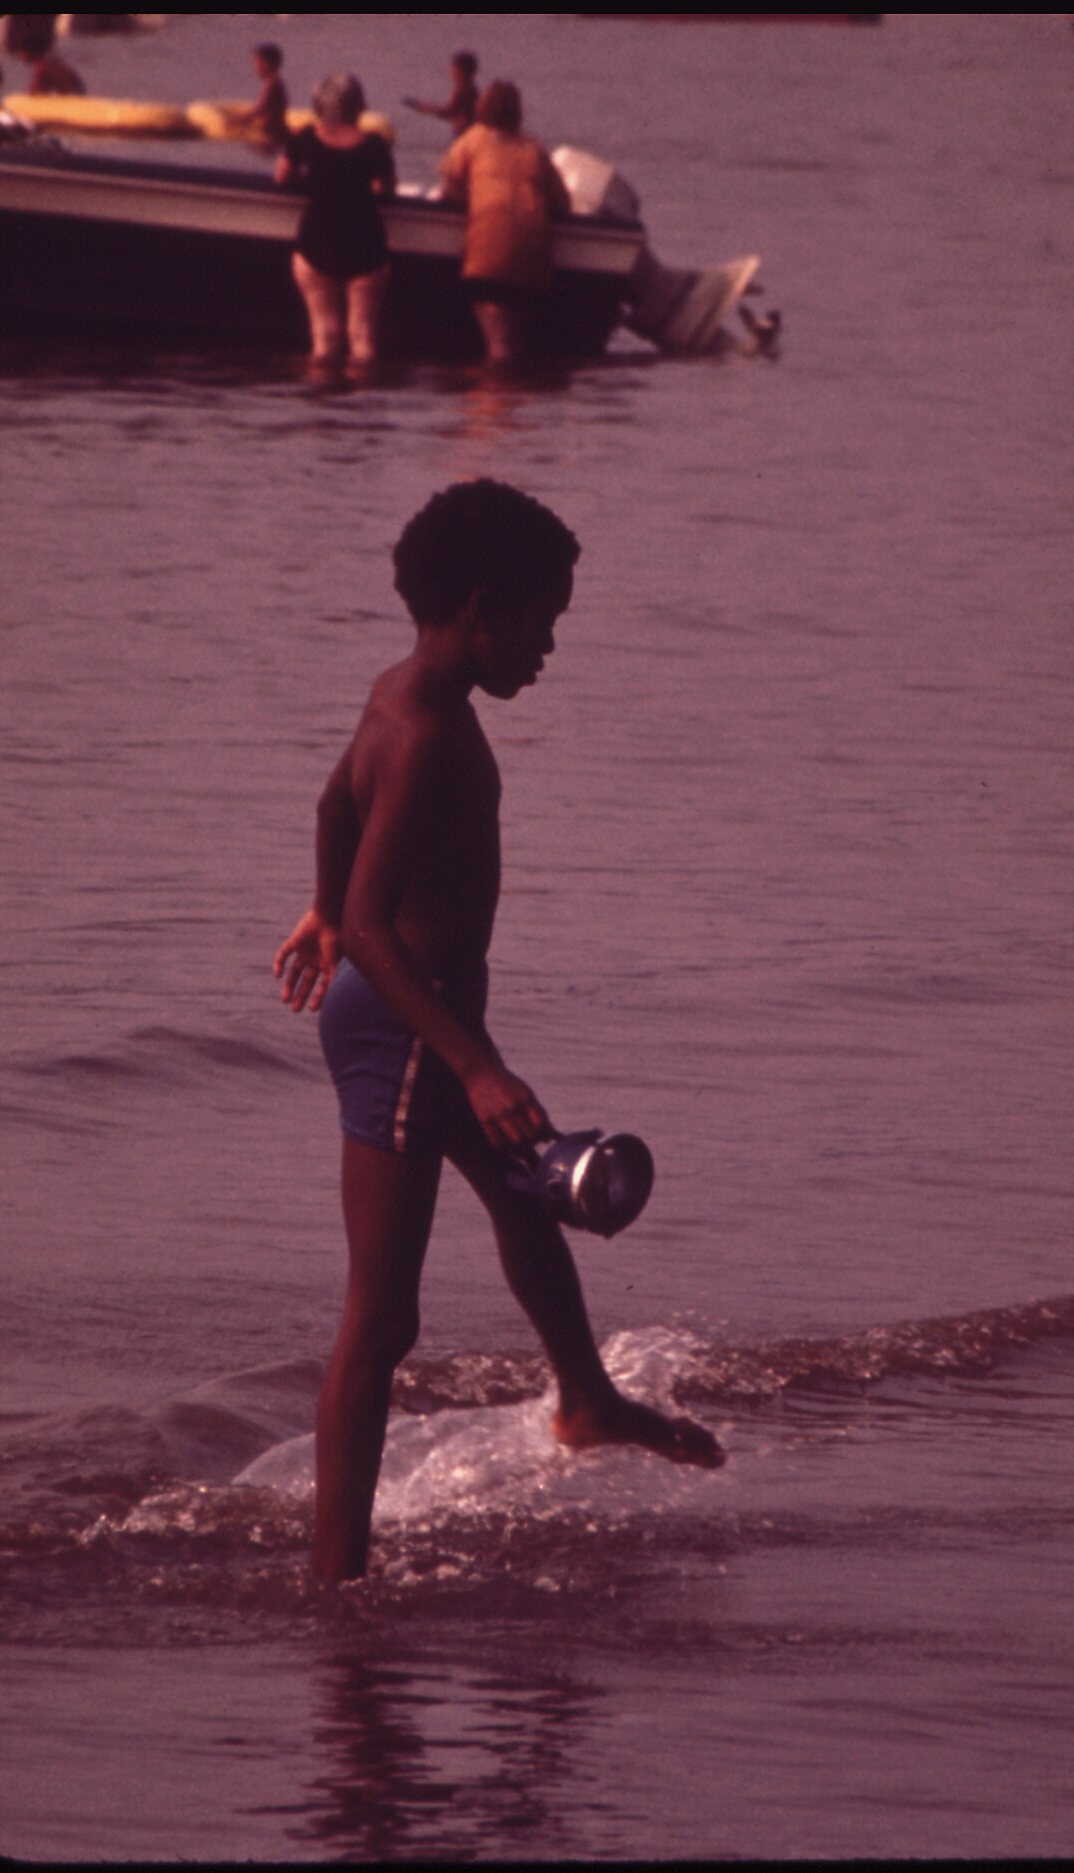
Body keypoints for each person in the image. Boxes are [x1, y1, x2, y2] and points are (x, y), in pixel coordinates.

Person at [273, 480, 724, 1583]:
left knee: (529, 1193)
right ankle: (335, 1578)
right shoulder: (426, 734)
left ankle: (585, 1397)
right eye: (542, 620)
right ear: (482, 606)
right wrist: (472, 1063)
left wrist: (324, 904)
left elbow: (333, 805)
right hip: (410, 1032)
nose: (549, 646)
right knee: (380, 1322)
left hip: (430, 1020)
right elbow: (378, 934)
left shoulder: (400, 693)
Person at [437, 80, 572, 366]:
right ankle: (516, 404)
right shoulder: (534, 148)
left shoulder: (473, 139)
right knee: (515, 343)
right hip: (533, 258)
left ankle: (491, 405)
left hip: (489, 255)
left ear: (482, 109)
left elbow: (449, 184)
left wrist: (467, 199)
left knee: (498, 348)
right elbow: (563, 204)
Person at [274, 73, 397, 379]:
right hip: (366, 245)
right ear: (358, 107)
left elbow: (281, 177)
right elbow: (387, 190)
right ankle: (361, 411)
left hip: (317, 243)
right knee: (363, 340)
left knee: (324, 339)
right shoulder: (374, 146)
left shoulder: (304, 139)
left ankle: (321, 415)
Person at [402, 49, 478, 140]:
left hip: (464, 132)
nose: (451, 73)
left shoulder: (462, 89)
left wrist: (420, 106)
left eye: (454, 70)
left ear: (461, 71)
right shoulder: (473, 89)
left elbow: (447, 111)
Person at [242, 41, 290, 149]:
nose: (255, 67)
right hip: (271, 133)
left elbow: (261, 108)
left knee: (249, 148)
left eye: (257, 63)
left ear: (267, 64)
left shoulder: (273, 84)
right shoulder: (273, 82)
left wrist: (241, 119)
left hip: (275, 136)